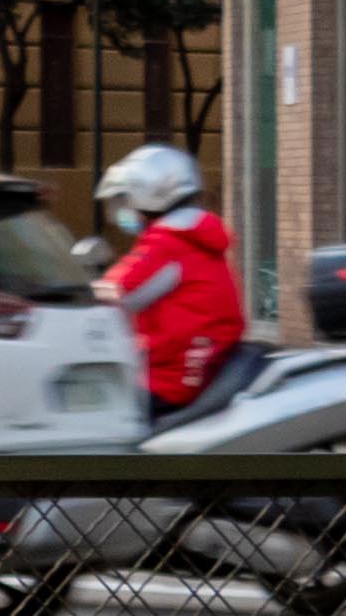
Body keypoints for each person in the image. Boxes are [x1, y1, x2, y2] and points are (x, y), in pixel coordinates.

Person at [97, 140, 242, 415]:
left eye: (126, 199)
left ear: (148, 195)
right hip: (203, 368)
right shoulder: (196, 235)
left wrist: (74, 293)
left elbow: (117, 294)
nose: (123, 209)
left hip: (169, 379)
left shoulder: (168, 243)